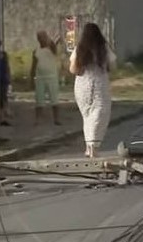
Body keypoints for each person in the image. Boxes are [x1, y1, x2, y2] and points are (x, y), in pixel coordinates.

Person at [69, 23, 116, 158]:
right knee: (100, 114)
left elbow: (72, 69)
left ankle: (89, 147)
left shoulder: (80, 48)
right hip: (99, 84)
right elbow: (112, 66)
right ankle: (93, 147)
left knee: (88, 116)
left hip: (82, 85)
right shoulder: (103, 48)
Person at [31, 30, 62, 126]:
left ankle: (56, 119)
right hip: (40, 78)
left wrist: (50, 38)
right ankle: (38, 120)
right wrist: (31, 79)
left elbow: (54, 44)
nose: (41, 39)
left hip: (52, 77)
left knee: (54, 99)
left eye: (43, 37)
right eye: (39, 37)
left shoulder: (51, 48)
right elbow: (33, 66)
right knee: (39, 100)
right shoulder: (36, 51)